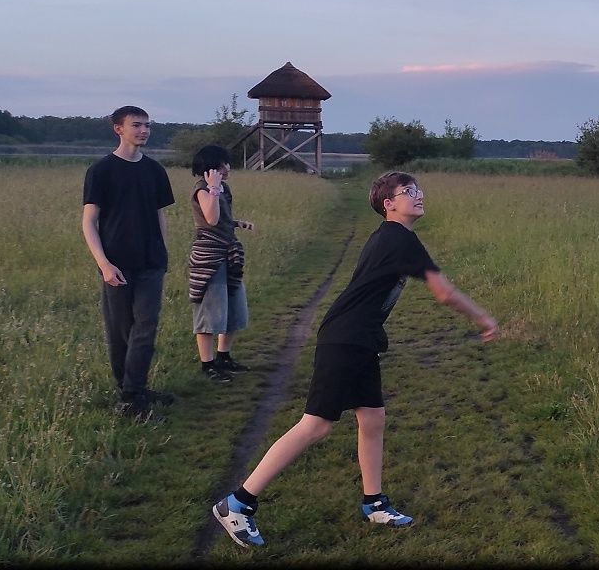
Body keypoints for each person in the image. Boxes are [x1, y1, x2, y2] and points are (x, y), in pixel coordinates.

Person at [213, 171, 500, 548]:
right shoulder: (399, 237)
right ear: (389, 204)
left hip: (359, 339)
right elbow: (444, 293)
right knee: (315, 425)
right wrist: (483, 318)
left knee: (373, 418)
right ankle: (238, 503)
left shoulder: (391, 236)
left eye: (418, 189)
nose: (418, 195)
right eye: (408, 191)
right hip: (345, 339)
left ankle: (374, 503)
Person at [81, 105, 176, 422]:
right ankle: (129, 392)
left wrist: (162, 252)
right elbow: (89, 222)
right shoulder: (101, 170)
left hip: (150, 262)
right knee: (121, 331)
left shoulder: (155, 170)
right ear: (118, 128)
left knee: (145, 326)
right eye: (137, 125)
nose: (144, 130)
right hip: (116, 263)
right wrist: (104, 264)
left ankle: (134, 394)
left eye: (147, 125)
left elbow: (160, 214)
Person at [189, 144, 256, 384]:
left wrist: (237, 223)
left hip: (229, 252)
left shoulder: (223, 189)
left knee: (234, 307)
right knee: (209, 312)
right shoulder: (202, 189)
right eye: (223, 164)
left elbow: (221, 219)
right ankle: (207, 365)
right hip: (209, 258)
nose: (228, 168)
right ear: (212, 168)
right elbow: (211, 217)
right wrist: (214, 187)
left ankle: (223, 357)